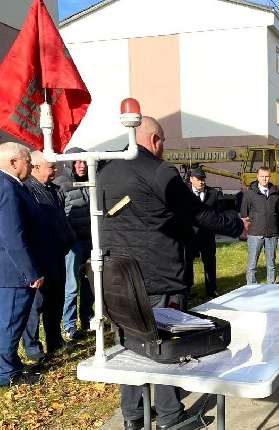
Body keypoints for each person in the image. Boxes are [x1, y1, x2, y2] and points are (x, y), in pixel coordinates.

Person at [98, 116, 248, 430]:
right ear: (154, 140)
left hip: (117, 278)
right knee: (167, 346)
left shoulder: (105, 170)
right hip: (159, 279)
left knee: (131, 346)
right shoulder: (158, 171)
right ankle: (169, 415)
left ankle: (133, 416)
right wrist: (236, 226)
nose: (164, 148)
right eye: (163, 142)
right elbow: (197, 213)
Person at [0, 142, 46, 387]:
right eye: (27, 160)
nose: (31, 164)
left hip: (9, 269)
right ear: (13, 163)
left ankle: (11, 366)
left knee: (13, 321)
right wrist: (31, 271)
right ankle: (5, 375)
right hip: (10, 271)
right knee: (10, 322)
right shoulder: (5, 189)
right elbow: (13, 236)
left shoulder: (6, 184)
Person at [21, 151, 76, 362]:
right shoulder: (28, 191)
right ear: (36, 168)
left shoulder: (53, 190)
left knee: (55, 300)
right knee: (37, 304)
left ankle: (55, 340)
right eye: (51, 167)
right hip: (40, 256)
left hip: (57, 253)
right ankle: (33, 347)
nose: (56, 170)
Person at [53, 148, 93, 341]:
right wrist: (68, 237)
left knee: (89, 282)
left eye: (84, 161)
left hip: (90, 240)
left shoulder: (90, 182)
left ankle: (87, 317)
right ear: (70, 164)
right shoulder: (61, 184)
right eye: (78, 162)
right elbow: (57, 215)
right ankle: (69, 324)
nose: (82, 165)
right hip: (73, 243)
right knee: (72, 284)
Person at [184, 166, 221, 298]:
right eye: (198, 179)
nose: (201, 182)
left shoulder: (213, 194)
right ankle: (188, 289)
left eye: (203, 179)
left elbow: (216, 214)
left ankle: (211, 288)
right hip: (189, 235)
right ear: (191, 179)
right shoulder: (184, 193)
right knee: (187, 262)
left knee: (210, 261)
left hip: (207, 235)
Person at [241, 166, 279, 284]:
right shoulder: (250, 194)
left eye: (267, 176)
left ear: (269, 176)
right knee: (252, 263)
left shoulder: (274, 193)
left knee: (271, 263)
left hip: (271, 234)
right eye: (262, 176)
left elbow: (277, 211)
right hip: (255, 234)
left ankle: (271, 285)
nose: (264, 179)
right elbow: (244, 212)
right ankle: (251, 286)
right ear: (257, 177)